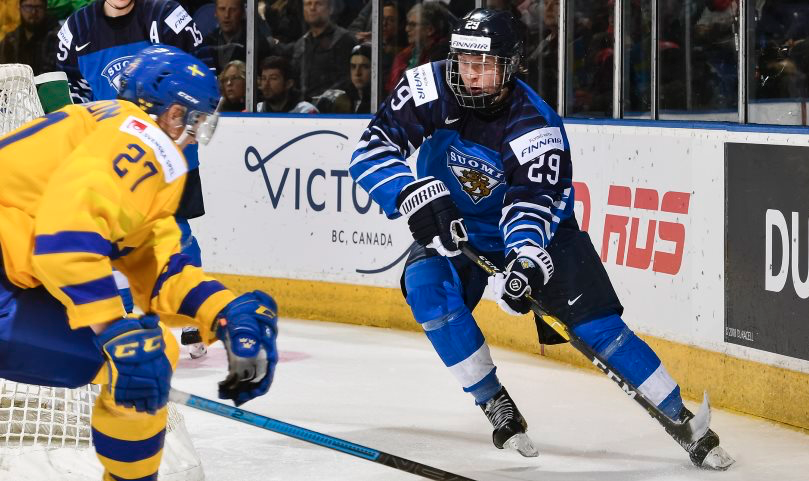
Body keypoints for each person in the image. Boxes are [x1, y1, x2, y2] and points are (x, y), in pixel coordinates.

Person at [349, 8, 734, 470]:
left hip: (539, 234)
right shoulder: (428, 87)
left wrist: (527, 261)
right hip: (455, 226)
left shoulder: (536, 126)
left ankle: (683, 419)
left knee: (597, 330)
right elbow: (372, 148)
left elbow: (532, 204)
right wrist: (411, 192)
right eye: (464, 63)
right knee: (427, 289)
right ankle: (495, 403)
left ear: (512, 67)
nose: (471, 77)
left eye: (485, 65)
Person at [0, 45, 278, 481]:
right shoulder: (141, 143)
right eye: (197, 117)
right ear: (172, 114)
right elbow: (66, 236)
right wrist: (112, 329)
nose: (196, 131)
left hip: (8, 283)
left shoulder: (114, 130)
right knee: (138, 360)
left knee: (149, 356)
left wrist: (223, 311)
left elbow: (158, 263)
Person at [55, 0, 211, 359]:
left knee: (175, 230)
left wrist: (191, 121)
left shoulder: (166, 15)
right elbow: (72, 93)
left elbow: (204, 67)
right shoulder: (75, 30)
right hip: (113, 154)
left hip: (170, 151)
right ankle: (120, 319)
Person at [292, 0, 356, 101]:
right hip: (304, 110)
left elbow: (347, 80)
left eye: (318, 4)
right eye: (308, 4)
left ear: (330, 9)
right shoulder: (301, 44)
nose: (312, 8)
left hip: (333, 111)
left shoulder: (343, 40)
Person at [346, 42, 371, 113]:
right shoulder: (343, 98)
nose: (357, 73)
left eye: (365, 66)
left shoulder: (383, 102)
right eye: (353, 67)